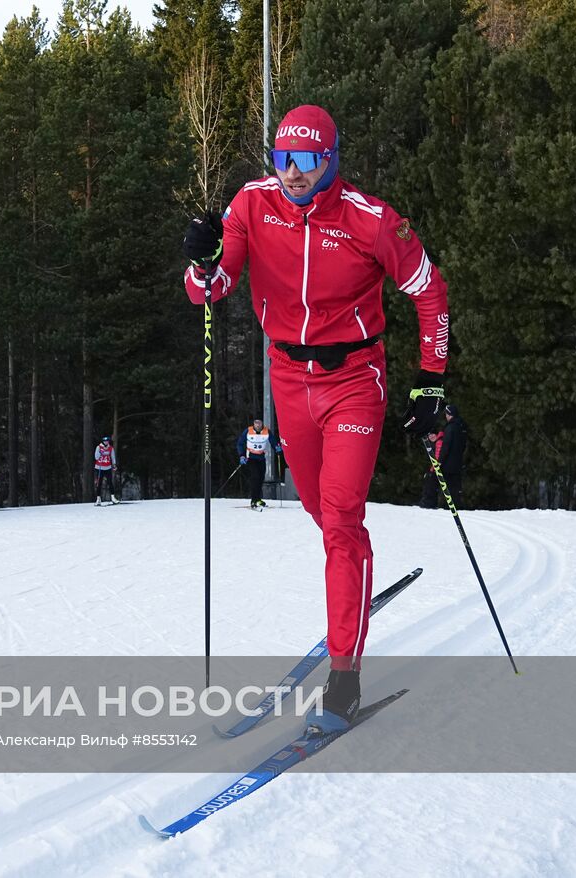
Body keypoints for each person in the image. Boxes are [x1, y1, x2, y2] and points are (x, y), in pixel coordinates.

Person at [182, 104, 449, 733]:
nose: (293, 173)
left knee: (339, 515)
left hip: (356, 378)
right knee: (320, 513)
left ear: (331, 160)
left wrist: (431, 380)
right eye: (283, 160)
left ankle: (345, 678)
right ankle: (351, 572)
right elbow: (211, 289)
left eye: (306, 160)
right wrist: (200, 262)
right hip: (287, 380)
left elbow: (429, 290)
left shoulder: (371, 220)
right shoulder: (251, 205)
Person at [236, 418, 282, 509]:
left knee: (261, 478)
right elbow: (240, 443)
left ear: (262, 424)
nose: (257, 425)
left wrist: (277, 448)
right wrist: (242, 455)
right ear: (254, 424)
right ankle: (253, 500)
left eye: (259, 423)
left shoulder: (266, 431)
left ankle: (258, 499)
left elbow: (273, 441)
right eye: (256, 423)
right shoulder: (248, 431)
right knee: (255, 478)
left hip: (261, 458)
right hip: (251, 457)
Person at [438, 404, 468, 506]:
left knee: (448, 485)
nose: (446, 416)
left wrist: (440, 461)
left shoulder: (451, 427)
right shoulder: (462, 425)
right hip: (459, 460)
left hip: (449, 462)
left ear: (450, 414)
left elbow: (446, 446)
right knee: (456, 485)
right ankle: (457, 504)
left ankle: (447, 506)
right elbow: (464, 444)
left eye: (447, 414)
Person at [419, 428, 445, 508]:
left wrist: (432, 470)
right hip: (435, 468)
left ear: (436, 434)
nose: (431, 437)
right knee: (429, 483)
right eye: (429, 435)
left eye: (433, 434)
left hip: (438, 468)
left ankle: (429, 503)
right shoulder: (434, 443)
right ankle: (427, 502)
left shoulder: (439, 442)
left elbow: (437, 457)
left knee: (431, 484)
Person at [93, 437, 118, 505]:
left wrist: (114, 464)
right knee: (99, 483)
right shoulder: (99, 447)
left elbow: (113, 457)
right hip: (99, 467)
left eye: (107, 441)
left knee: (110, 483)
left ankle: (113, 498)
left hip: (108, 467)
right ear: (103, 441)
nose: (106, 442)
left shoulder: (110, 448)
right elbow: (96, 457)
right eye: (105, 441)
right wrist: (100, 453)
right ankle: (98, 499)